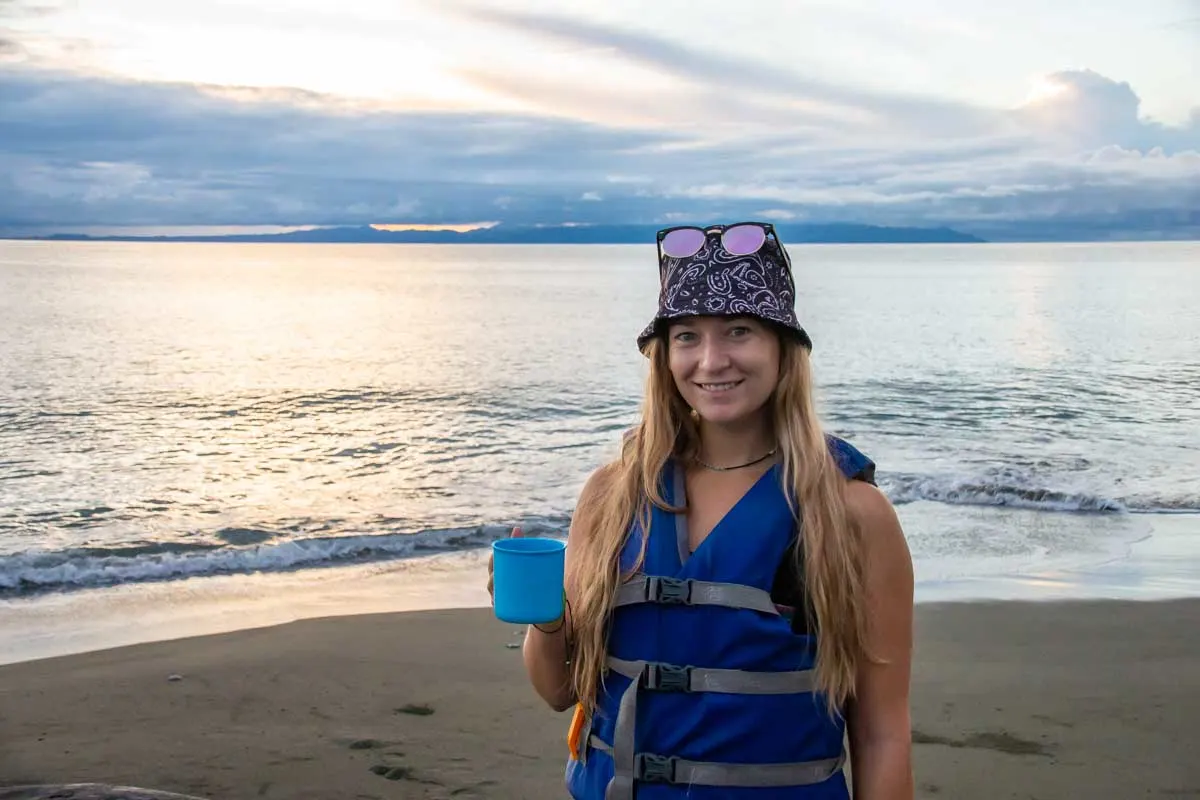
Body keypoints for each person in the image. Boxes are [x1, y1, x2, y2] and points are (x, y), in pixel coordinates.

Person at [488, 221, 914, 799]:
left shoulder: (851, 514)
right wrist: (548, 615)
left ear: (783, 350)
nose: (712, 361)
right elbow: (559, 691)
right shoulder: (611, 496)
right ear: (662, 356)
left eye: (738, 331)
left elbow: (882, 735)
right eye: (687, 336)